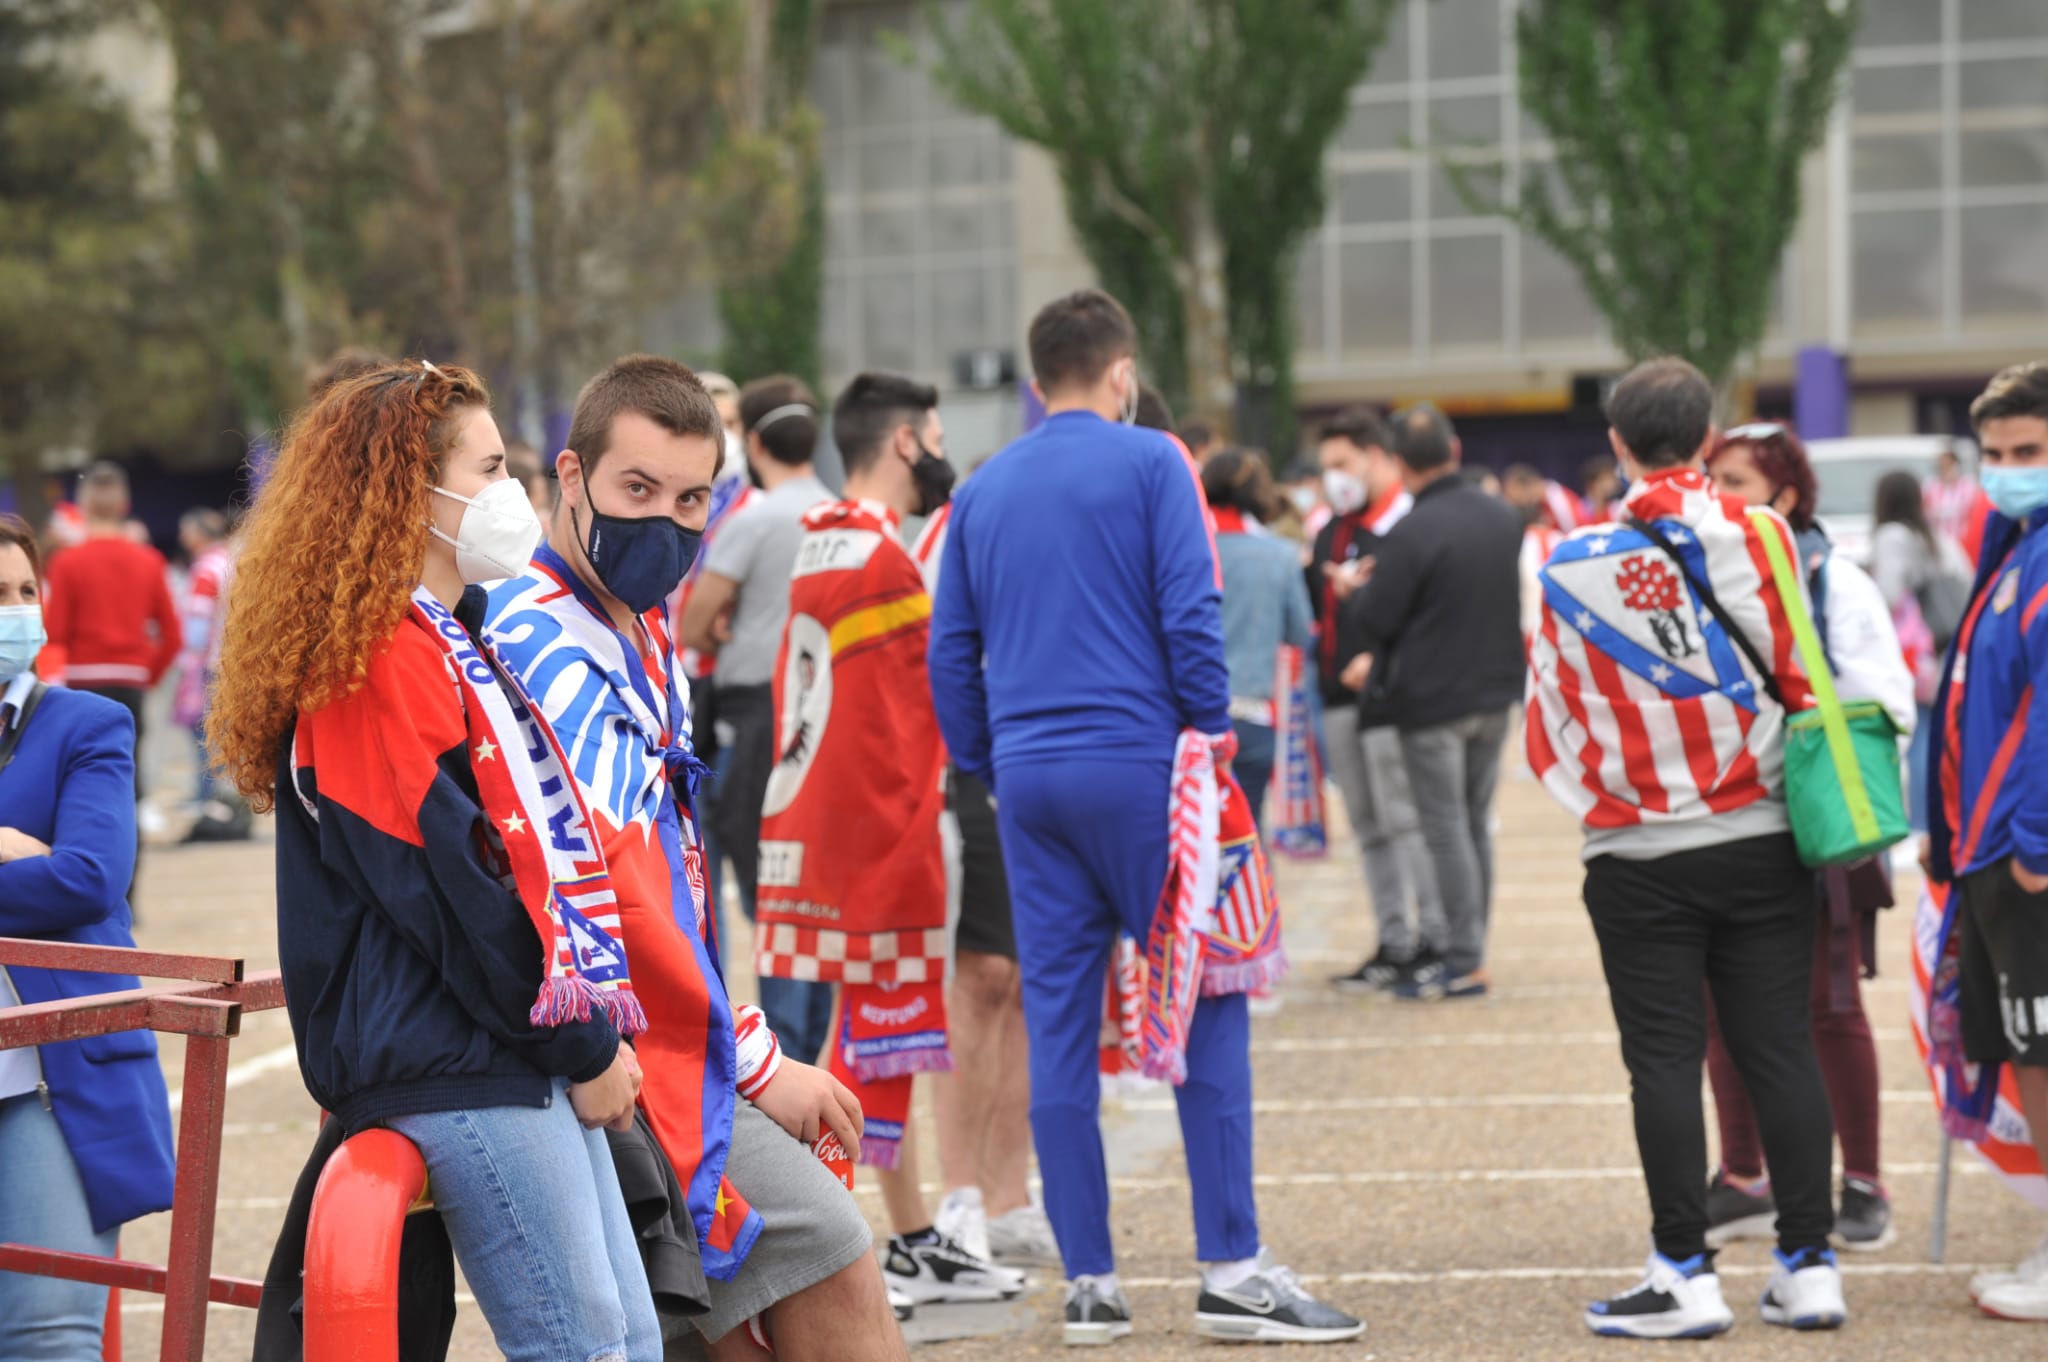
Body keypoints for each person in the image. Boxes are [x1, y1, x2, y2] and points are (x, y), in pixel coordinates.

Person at [929, 288, 1363, 1347]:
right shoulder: (1154, 460)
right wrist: (1208, 735)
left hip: (1030, 776)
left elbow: (949, 649)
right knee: (1208, 996)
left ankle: (1091, 1281)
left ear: (1038, 380)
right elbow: (1189, 610)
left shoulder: (982, 488)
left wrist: (987, 761)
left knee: (1061, 1023)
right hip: (1145, 768)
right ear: (1121, 372)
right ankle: (1231, 1268)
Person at [211, 360, 663, 1362]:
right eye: (491, 468)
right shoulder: (376, 659)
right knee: (586, 1344)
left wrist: (583, 1028)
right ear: (408, 492)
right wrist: (583, 1044)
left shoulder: (449, 639)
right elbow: (452, 892)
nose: (516, 491)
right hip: (454, 1058)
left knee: (630, 1336)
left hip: (501, 1044)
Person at [486, 355, 906, 1357]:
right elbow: (615, 897)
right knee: (830, 1251)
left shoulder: (631, 624)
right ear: (570, 475)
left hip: (653, 1033)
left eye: (690, 500)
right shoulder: (544, 641)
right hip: (616, 1051)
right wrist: (752, 1058)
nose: (666, 525)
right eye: (637, 490)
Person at [1528, 357, 1845, 1339]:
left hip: (1634, 851)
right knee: (1778, 1047)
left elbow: (1548, 720)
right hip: (1762, 833)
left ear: (1615, 443)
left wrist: (1612, 800)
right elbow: (1802, 671)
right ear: (1707, 438)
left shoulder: (1567, 560)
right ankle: (1808, 1264)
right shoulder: (1761, 533)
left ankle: (1683, 1272)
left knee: (1662, 1061)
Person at [748, 371, 1025, 1310]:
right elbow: (900, 724)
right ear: (906, 441)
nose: (941, 452)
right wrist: (913, 836)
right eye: (935, 435)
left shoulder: (823, 536)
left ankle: (904, 1238)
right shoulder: (879, 555)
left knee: (869, 1034)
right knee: (882, 1036)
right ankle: (879, 1246)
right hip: (881, 825)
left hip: (818, 815)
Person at [1702, 422, 1915, 1253]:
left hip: (1817, 818)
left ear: (1785, 497)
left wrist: (1800, 696)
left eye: (1737, 483)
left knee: (1831, 1004)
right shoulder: (1696, 575)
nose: (1718, 498)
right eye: (1712, 481)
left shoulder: (1834, 580)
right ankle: (1744, 1177)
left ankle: (1862, 1182)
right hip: (1725, 818)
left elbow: (1888, 703)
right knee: (1722, 1002)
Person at [0, 513, 177, 1362]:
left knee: (49, 1333)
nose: (15, 611)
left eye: (24, 591)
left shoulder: (85, 723)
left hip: (46, 1070)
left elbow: (87, 877)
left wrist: (47, 867)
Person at [1925, 361, 2048, 1324]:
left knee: (2042, 1055)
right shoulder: (2016, 544)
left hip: (2025, 855)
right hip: (1992, 846)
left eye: (2029, 451)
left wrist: (2035, 846)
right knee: (2026, 1053)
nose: (2008, 469)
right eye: (1995, 454)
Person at [912, 493, 1061, 1274]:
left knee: (1027, 982)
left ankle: (1009, 1196)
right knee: (981, 977)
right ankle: (961, 1196)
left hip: (1044, 752)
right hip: (967, 758)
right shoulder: (968, 515)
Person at [1337, 406, 1522, 1001]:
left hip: (1433, 700)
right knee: (1475, 823)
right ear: (1455, 449)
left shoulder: (1413, 530)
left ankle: (1462, 957)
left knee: (1445, 828)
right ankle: (1474, 948)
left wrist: (1354, 592)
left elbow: (1378, 617)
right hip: (1495, 690)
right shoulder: (1501, 515)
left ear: (1399, 463)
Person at [677, 375, 836, 1062]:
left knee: (762, 884)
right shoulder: (841, 514)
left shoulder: (753, 520)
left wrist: (730, 628)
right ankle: (809, 1042)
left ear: (757, 441)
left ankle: (778, 1048)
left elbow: (693, 622)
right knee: (814, 882)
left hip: (756, 714)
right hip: (828, 713)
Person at [1311, 408, 1444, 994]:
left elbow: (1434, 613)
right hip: (1338, 698)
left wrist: (1383, 658)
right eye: (1326, 466)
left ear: (1376, 457)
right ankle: (1393, 941)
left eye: (1342, 463)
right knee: (1368, 826)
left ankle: (1435, 938)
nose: (1334, 477)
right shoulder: (1332, 529)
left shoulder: (1408, 523)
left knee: (1405, 818)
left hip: (1392, 696)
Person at [42, 461, 181, 789]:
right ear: (124, 505)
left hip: (83, 679)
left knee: (84, 772)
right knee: (129, 769)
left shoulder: (66, 562)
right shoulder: (149, 560)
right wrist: (147, 675)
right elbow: (173, 636)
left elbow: (55, 632)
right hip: (131, 678)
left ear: (83, 506)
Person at [1202, 450, 1314, 830]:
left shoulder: (1188, 550)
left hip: (1192, 718)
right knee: (1247, 830)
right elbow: (1300, 631)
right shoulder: (1279, 556)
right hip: (1253, 712)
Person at [1873, 470, 1974, 834]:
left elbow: (1887, 593)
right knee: (1936, 733)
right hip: (1943, 649)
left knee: (1917, 735)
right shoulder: (1934, 536)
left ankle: (1919, 823)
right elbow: (1966, 580)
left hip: (1915, 654)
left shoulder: (1891, 536)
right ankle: (1936, 817)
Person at [1924, 444, 1992, 564]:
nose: (1945, 469)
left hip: (1962, 544)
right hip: (1938, 545)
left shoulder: (1968, 486)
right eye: (1942, 466)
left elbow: (1974, 514)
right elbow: (1926, 513)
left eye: (1948, 465)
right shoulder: (1931, 487)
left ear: (1956, 465)